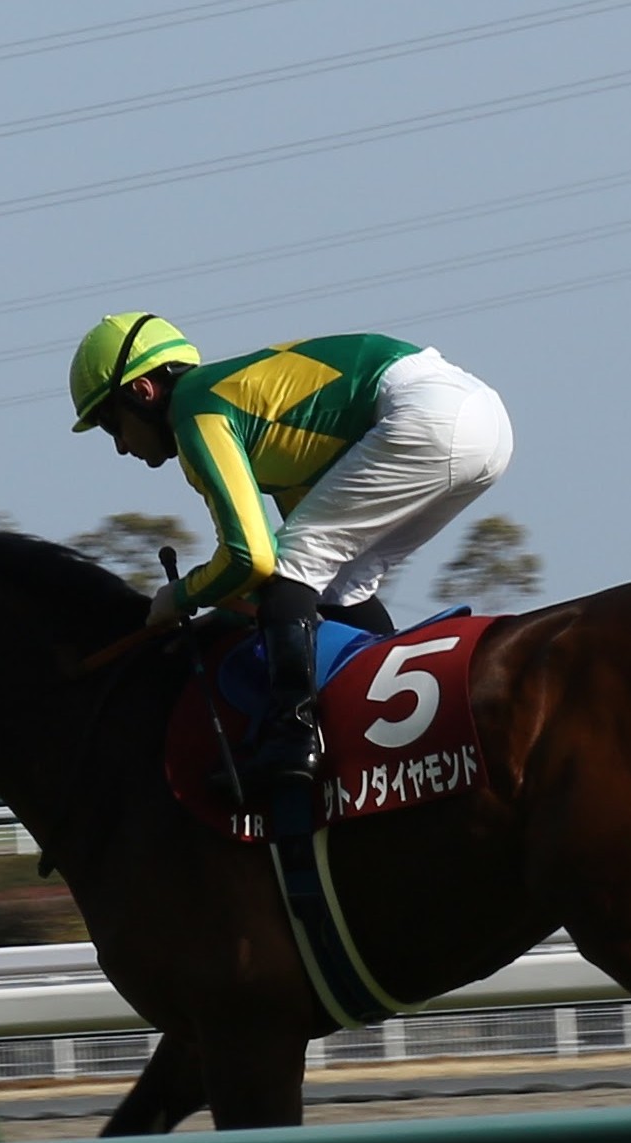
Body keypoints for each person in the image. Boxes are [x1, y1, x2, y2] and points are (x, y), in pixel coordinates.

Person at [67, 313, 513, 810]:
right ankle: (386, 725)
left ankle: (289, 745)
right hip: (485, 423)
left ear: (144, 391)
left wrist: (180, 596)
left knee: (293, 572)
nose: (122, 446)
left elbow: (250, 557)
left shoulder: (196, 408)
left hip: (426, 414)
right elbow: (289, 567)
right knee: (343, 585)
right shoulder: (261, 418)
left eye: (111, 424)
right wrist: (230, 606)